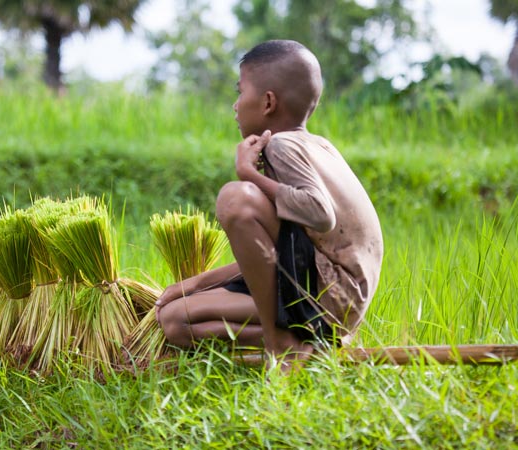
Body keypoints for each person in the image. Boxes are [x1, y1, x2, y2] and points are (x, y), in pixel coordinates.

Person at [155, 40, 383, 370]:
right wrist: (194, 284)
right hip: (339, 298)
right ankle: (311, 344)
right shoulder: (319, 146)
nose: (235, 106)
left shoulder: (281, 145)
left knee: (235, 199)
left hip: (327, 299)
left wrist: (249, 174)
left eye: (240, 92)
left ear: (268, 102)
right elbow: (285, 254)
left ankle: (282, 346)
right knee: (175, 319)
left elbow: (320, 213)